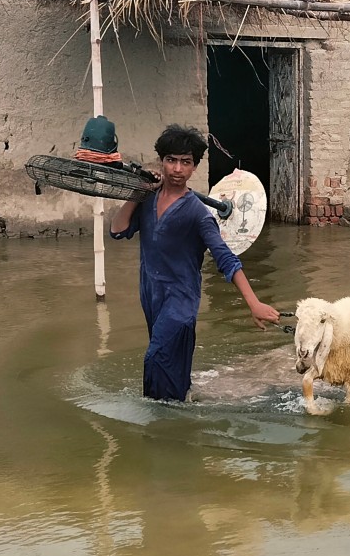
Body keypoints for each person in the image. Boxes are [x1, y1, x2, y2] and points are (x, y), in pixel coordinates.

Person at [110, 124, 280, 401]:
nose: (177, 169)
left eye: (185, 162)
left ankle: (159, 421)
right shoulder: (148, 199)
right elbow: (117, 231)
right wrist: (136, 193)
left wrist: (254, 303)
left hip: (181, 299)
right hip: (151, 294)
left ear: (195, 168)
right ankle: (176, 419)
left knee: (156, 358)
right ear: (162, 162)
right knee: (169, 368)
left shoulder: (197, 214)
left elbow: (225, 257)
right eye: (171, 160)